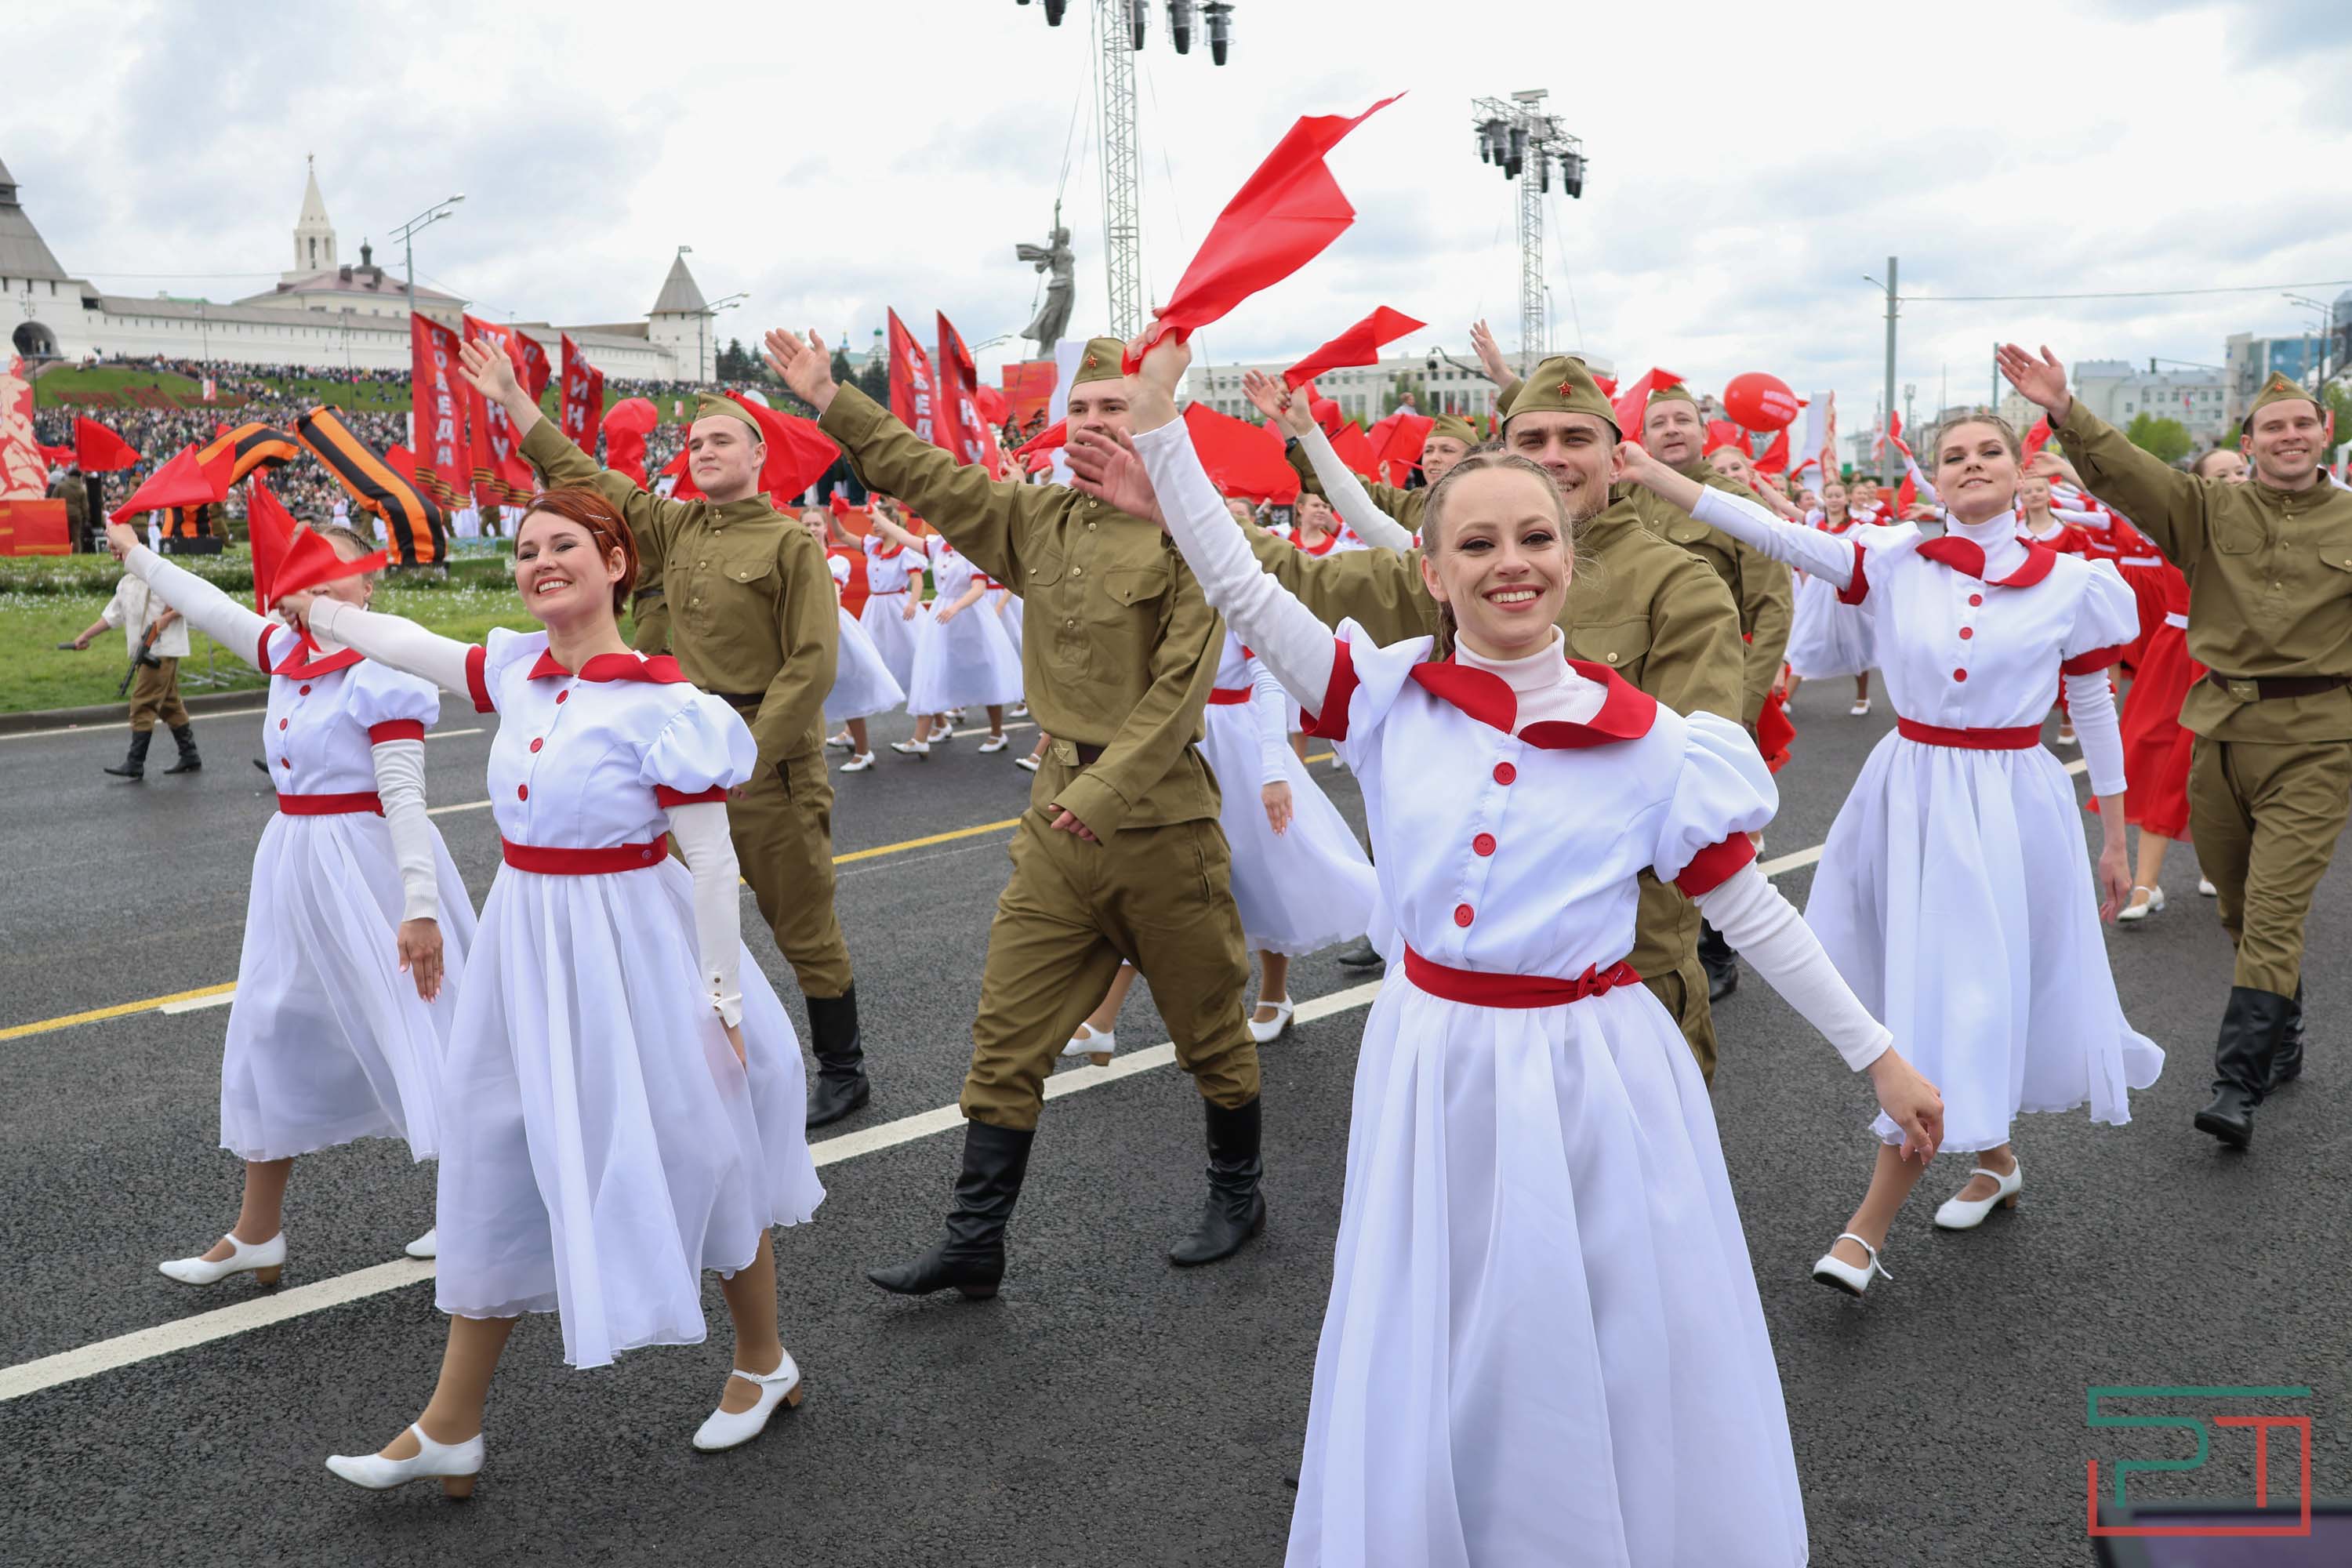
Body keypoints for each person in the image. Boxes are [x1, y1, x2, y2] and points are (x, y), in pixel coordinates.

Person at [1090, 322, 1940, 1566]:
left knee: (1588, 1328)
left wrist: (1880, 1058)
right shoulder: (1382, 700)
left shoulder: (1656, 742)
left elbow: (1747, 908)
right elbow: (1242, 586)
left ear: (1570, 557)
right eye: (1476, 542)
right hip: (1433, 1056)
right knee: (1436, 1317)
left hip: (1596, 1070)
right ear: (1428, 571)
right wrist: (1164, 435)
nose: (1511, 562)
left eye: (1535, 537)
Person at [289, 485, 825, 1488]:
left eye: (564, 544)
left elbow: (711, 867)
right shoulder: (518, 672)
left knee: (698, 1143)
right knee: (494, 1147)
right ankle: (451, 1421)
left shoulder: (670, 707)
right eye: (529, 548)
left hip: (637, 945)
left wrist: (725, 998)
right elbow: (408, 642)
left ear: (617, 562)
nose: (541, 561)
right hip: (526, 944)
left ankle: (762, 1359)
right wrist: (318, 608)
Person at [766, 326, 1265, 1294]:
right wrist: (832, 397)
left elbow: (1179, 691)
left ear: (1155, 416)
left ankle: (1237, 1191)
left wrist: (1103, 791)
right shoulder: (1036, 520)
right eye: (1079, 408)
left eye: (1114, 406)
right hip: (1055, 828)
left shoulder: (1194, 529)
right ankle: (974, 1239)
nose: (1092, 422)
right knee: (1006, 1031)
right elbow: (928, 474)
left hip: (1157, 824)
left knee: (1208, 1029)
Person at [1621, 409, 2160, 1287]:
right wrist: (1656, 475)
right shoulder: (1893, 558)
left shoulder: (2075, 581)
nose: (1973, 464)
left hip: (2010, 807)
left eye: (1989, 450)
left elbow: (2093, 707)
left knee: (1962, 995)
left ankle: (1867, 1228)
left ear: (2020, 467)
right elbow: (1776, 532)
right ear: (1933, 477)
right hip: (1909, 798)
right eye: (1954, 455)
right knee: (1941, 988)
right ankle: (1994, 1158)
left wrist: (2114, 835)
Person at [1222, 353, 1749, 1082]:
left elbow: (1699, 812)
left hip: (1619, 971)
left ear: (1615, 453)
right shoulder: (1456, 573)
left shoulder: (1680, 587)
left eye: (1576, 438)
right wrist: (1168, 491)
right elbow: (1295, 578)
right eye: (1532, 442)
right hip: (1464, 984)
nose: (1555, 458)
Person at [461, 342, 873, 1131]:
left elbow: (812, 665)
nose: (705, 450)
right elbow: (579, 475)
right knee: (678, 920)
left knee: (802, 924)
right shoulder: (674, 526)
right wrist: (514, 399)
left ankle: (843, 1071)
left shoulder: (790, 545)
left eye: (723, 439)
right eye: (694, 443)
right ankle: (693, 1062)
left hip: (764, 766)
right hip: (678, 763)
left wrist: (748, 755)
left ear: (758, 454)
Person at [100, 518, 468, 1283]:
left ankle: (476, 1209)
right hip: (295, 866)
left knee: (423, 1029)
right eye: (305, 574)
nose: (320, 586)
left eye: (338, 571)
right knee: (269, 1028)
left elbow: (405, 799)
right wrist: (135, 554)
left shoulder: (383, 669)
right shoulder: (283, 652)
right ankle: (257, 1232)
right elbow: (205, 603)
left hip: (374, 868)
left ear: (370, 584)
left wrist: (421, 906)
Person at [2006, 351, 2352, 1149]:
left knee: (2273, 910)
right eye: (2274, 426)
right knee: (2234, 905)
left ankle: (2238, 1082)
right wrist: (2064, 408)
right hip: (2223, 735)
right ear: (2251, 438)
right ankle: (2285, 1019)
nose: (2290, 435)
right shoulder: (2208, 510)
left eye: (2303, 423)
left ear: (2325, 432)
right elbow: (2129, 475)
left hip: (2316, 741)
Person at [2110, 449, 2243, 924]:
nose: (2234, 479)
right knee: (2159, 759)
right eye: (2221, 474)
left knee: (2217, 769)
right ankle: (2147, 885)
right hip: (2176, 655)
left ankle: (2210, 870)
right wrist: (2070, 470)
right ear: (2198, 484)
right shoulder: (2173, 524)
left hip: (2233, 657)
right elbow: (2120, 497)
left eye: (2240, 471)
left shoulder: (2268, 529)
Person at [868, 510, 1019, 757]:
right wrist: (879, 517)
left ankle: (997, 732)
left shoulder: (973, 550)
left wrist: (956, 607)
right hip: (943, 615)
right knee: (931, 667)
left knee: (985, 670)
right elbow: (903, 536)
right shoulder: (937, 546)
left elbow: (979, 588)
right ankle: (920, 738)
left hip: (971, 617)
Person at [71, 554, 198, 779]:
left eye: (120, 550)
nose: (116, 555)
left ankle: (135, 762)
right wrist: (85, 636)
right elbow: (112, 616)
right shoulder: (127, 582)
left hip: (163, 650)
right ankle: (190, 756)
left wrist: (168, 618)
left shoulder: (162, 575)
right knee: (169, 704)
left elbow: (189, 600)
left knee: (142, 703)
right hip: (145, 651)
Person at [798, 508, 904, 772]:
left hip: (832, 628)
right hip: (802, 626)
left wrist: (827, 630)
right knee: (804, 695)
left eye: (816, 524)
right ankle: (811, 754)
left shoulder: (836, 562)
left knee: (847, 690)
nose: (812, 529)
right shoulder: (796, 559)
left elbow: (833, 597)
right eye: (807, 524)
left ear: (825, 528)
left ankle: (863, 751)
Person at [1784, 480, 1878, 714]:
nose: (1835, 499)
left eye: (1839, 495)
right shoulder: (1816, 521)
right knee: (1805, 637)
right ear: (1823, 498)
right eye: (1830, 495)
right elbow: (1783, 507)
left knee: (1856, 642)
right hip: (1818, 589)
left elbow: (1865, 560)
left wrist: (1851, 586)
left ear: (1847, 498)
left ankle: (1862, 697)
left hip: (1845, 589)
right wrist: (1759, 482)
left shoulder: (1857, 526)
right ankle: (1785, 695)